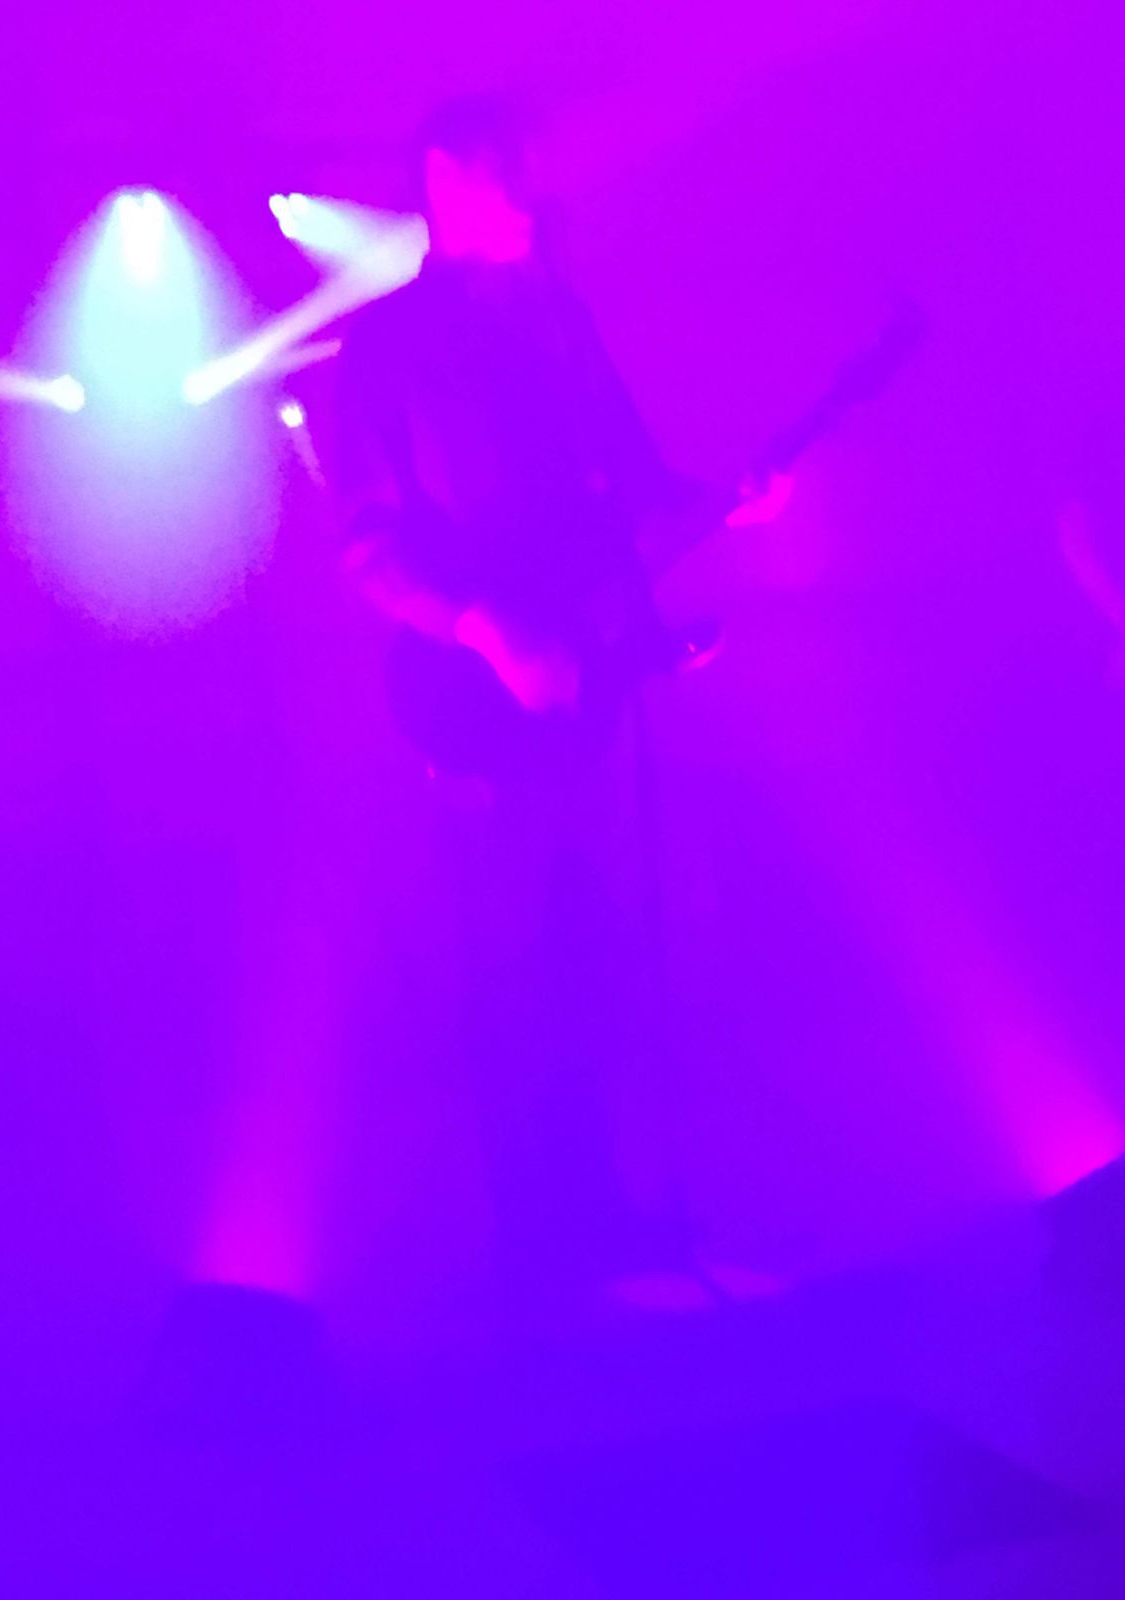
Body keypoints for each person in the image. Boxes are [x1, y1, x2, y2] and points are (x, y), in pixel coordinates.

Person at [325, 96, 781, 1314]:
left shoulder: (559, 321)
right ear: (442, 179)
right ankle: (535, 1247)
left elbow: (630, 477)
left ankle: (612, 1219)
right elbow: (368, 548)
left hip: (586, 689)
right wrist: (486, 630)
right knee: (513, 969)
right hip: (473, 706)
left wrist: (722, 496)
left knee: (601, 948)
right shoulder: (382, 351)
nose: (531, 190)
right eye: (506, 170)